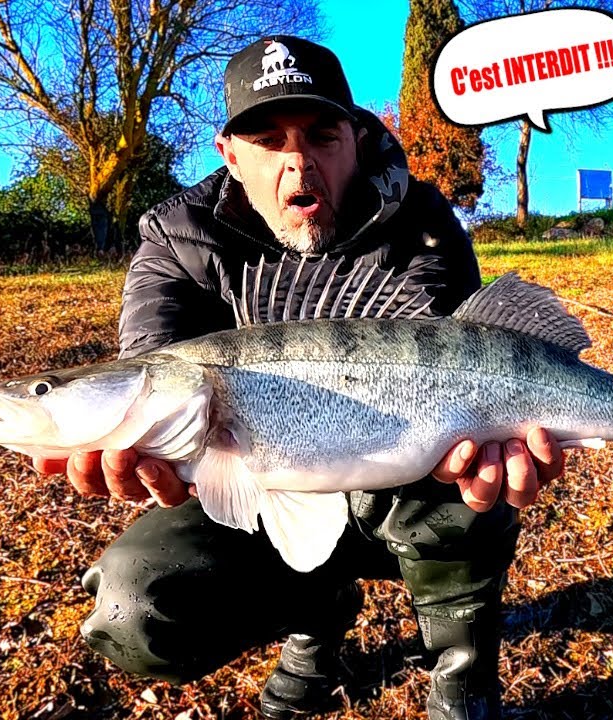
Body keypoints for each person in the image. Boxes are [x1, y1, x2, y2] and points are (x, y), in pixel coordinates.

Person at [31, 36, 565, 720]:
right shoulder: (177, 236)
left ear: (358, 135)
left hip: (406, 482)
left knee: (469, 471)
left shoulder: (422, 221)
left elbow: (469, 362)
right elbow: (154, 362)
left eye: (321, 134)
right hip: (256, 484)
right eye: (266, 138)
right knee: (134, 602)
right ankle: (317, 613)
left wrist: (503, 443)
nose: (297, 160)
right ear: (228, 153)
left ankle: (462, 678)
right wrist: (136, 444)